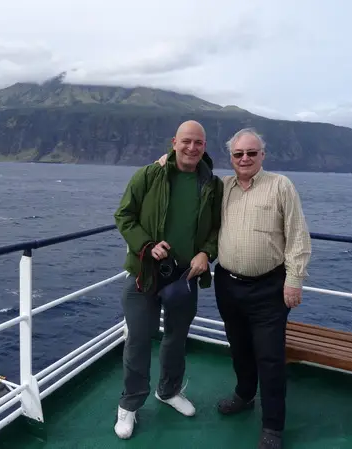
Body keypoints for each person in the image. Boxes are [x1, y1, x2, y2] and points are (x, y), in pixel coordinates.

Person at [156, 127, 311, 449]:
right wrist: (165, 162)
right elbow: (189, 174)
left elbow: (297, 237)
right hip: (228, 285)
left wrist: (294, 281)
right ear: (230, 157)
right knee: (238, 347)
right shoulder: (222, 186)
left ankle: (273, 426)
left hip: (270, 287)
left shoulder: (280, 186)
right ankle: (244, 395)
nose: (245, 158)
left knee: (270, 357)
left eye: (251, 153)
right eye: (238, 154)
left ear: (262, 155)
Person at [112, 120, 223, 439]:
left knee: (176, 338)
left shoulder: (212, 184)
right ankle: (129, 404)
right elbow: (124, 215)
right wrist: (147, 245)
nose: (192, 147)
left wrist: (206, 253)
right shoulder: (149, 175)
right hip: (144, 275)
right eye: (186, 141)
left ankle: (169, 390)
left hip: (184, 277)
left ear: (204, 146)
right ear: (174, 142)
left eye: (198, 143)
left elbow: (217, 227)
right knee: (138, 338)